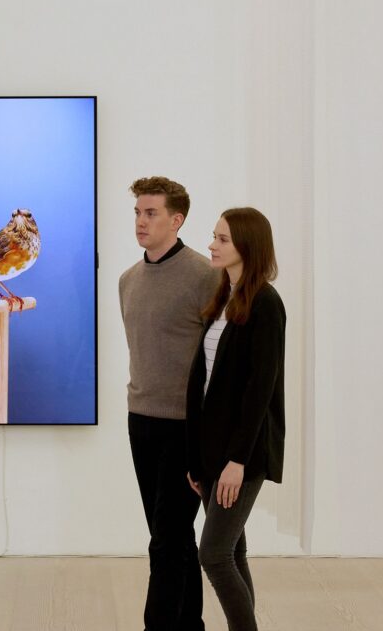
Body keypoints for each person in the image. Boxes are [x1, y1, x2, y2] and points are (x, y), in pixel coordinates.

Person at [120, 176, 219, 631]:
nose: (141, 221)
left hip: (186, 428)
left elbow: (223, 358)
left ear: (177, 220)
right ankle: (190, 624)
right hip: (140, 421)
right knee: (173, 539)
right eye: (138, 212)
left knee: (165, 542)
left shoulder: (207, 277)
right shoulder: (128, 280)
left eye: (151, 213)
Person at [185, 208, 286, 631]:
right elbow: (204, 383)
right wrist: (198, 459)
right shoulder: (223, 298)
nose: (212, 244)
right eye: (214, 236)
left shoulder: (266, 303)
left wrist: (236, 461)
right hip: (212, 452)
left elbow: (259, 391)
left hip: (240, 456)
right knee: (232, 552)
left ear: (247, 245)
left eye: (222, 238)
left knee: (213, 554)